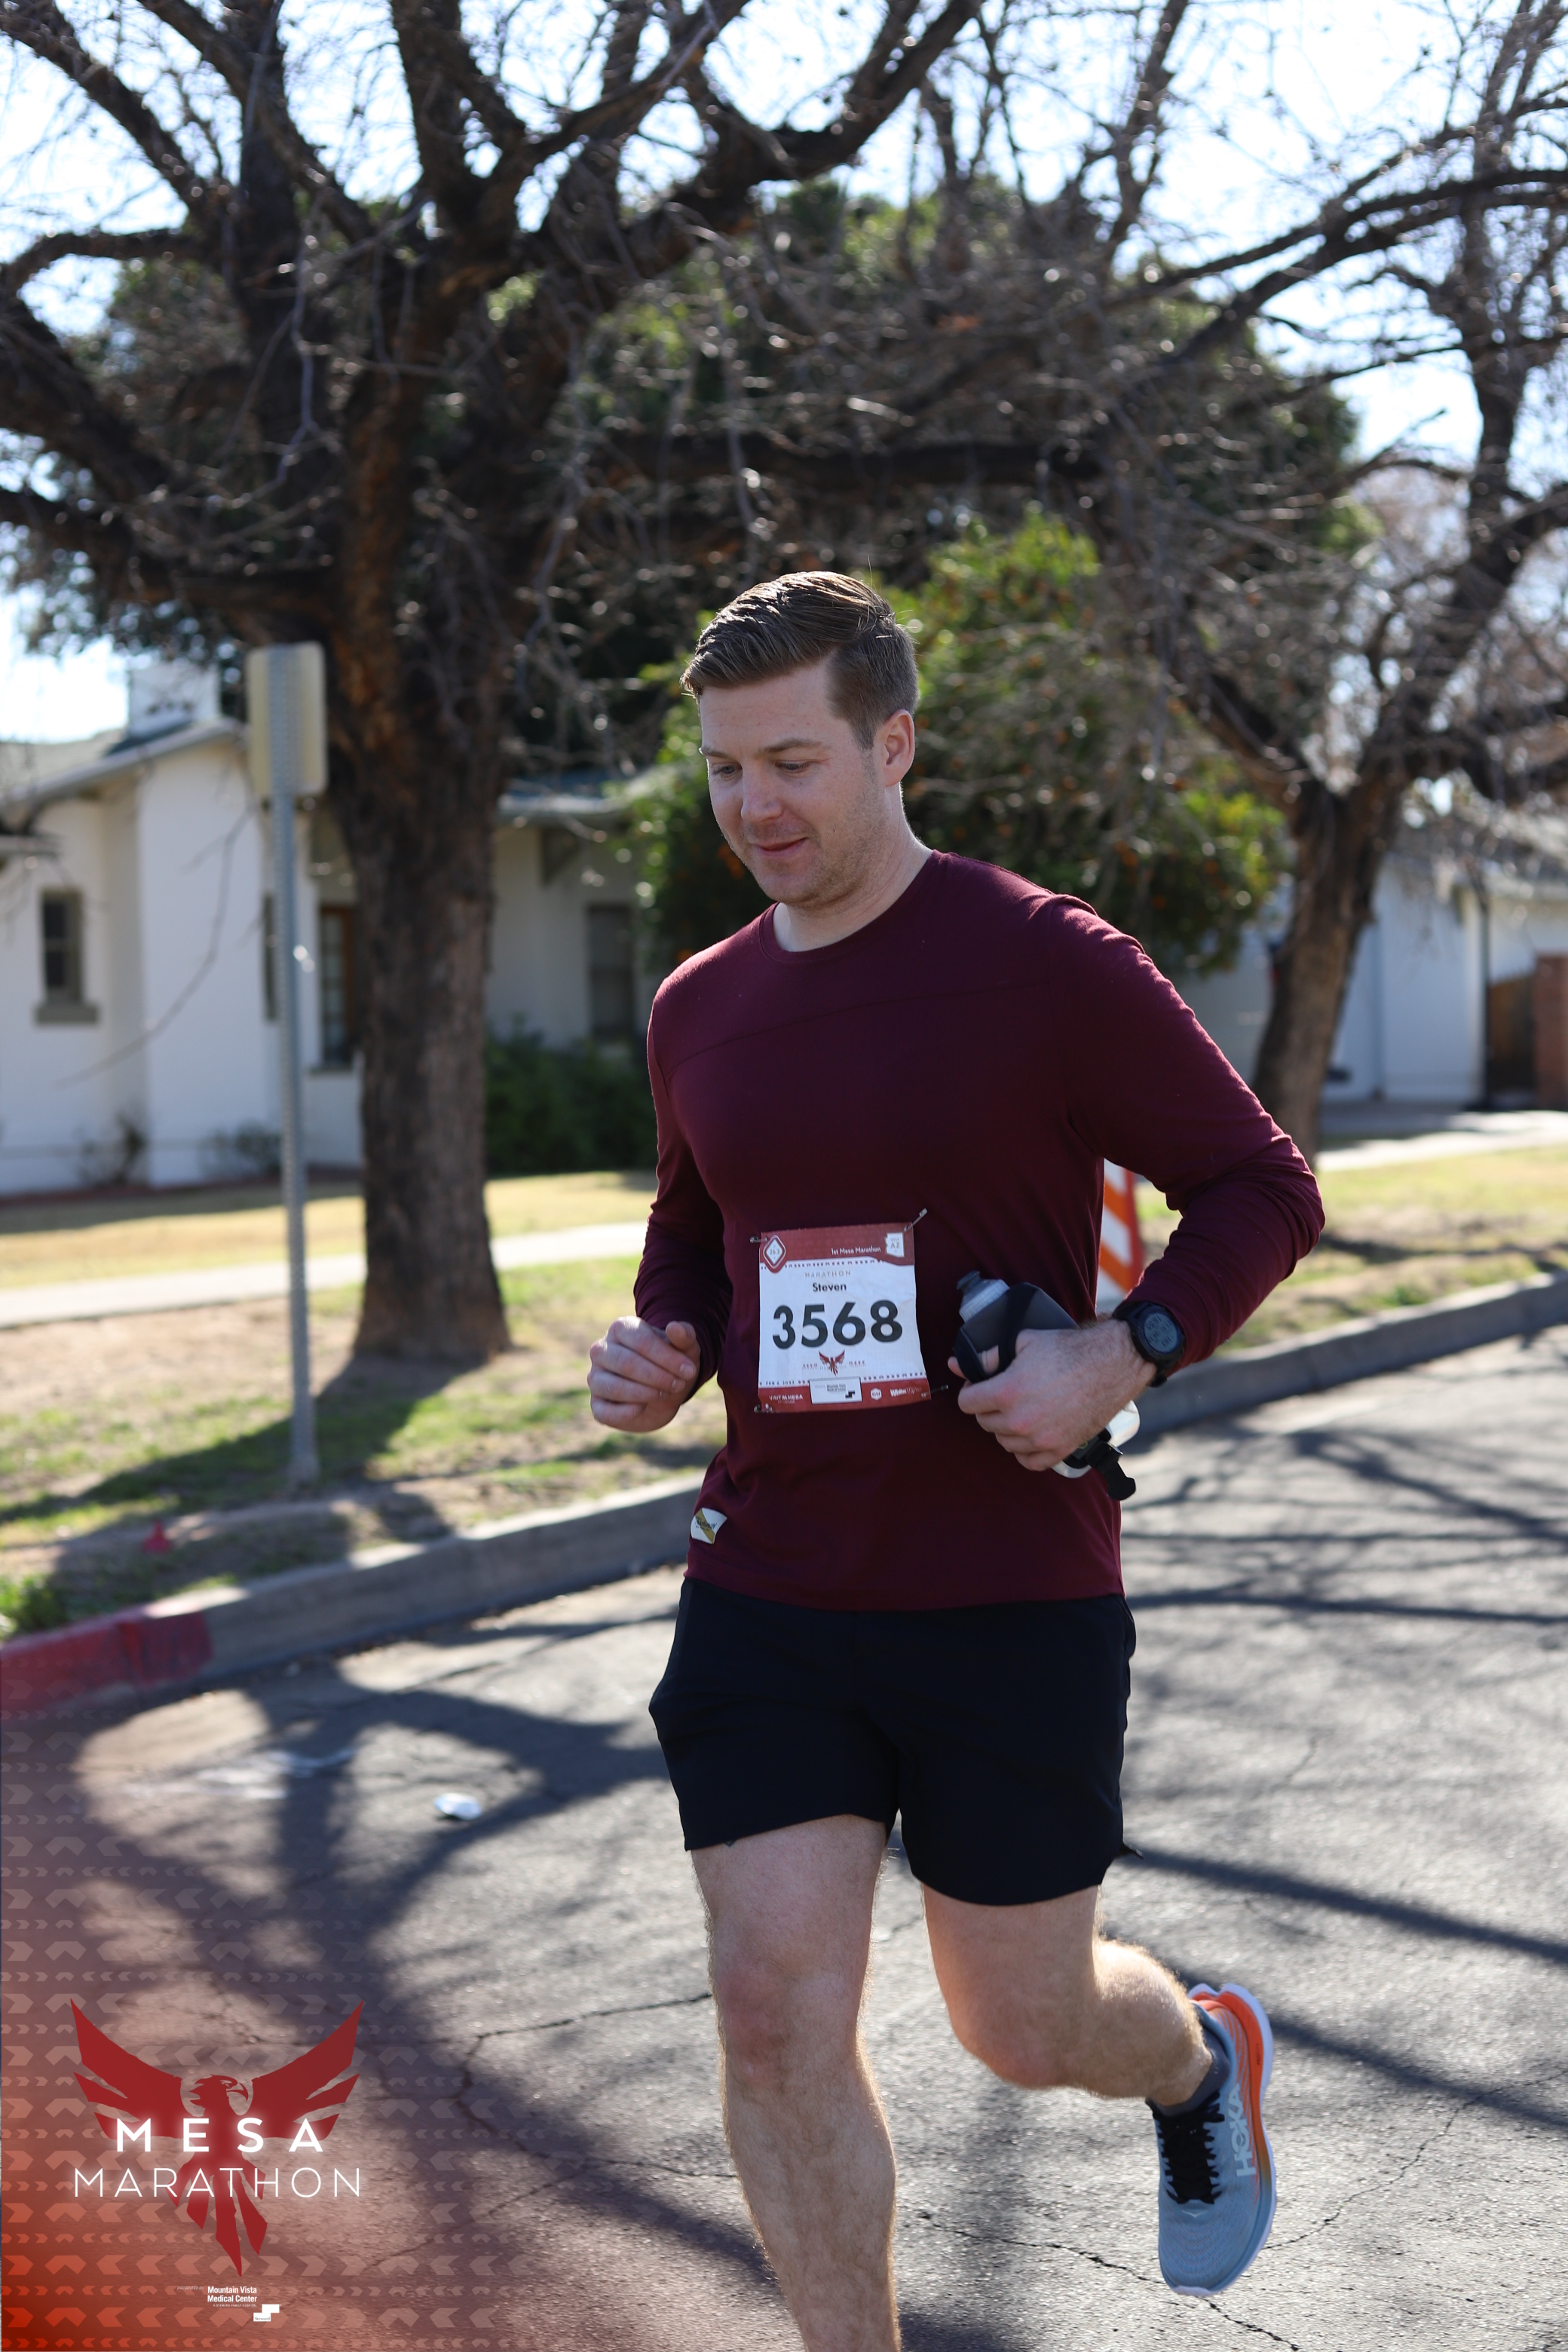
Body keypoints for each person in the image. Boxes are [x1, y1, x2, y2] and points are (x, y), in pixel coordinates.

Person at [586, 573, 1323, 2350]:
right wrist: (661, 1339)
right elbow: (694, 1229)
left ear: (892, 743)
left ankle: (1192, 2059)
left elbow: (1261, 1187)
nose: (753, 807)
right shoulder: (695, 1004)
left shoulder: (1041, 960)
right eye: (723, 770)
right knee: (770, 2011)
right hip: (768, 1580)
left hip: (1002, 1581)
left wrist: (1120, 1353)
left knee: (1021, 2023)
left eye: (792, 762)